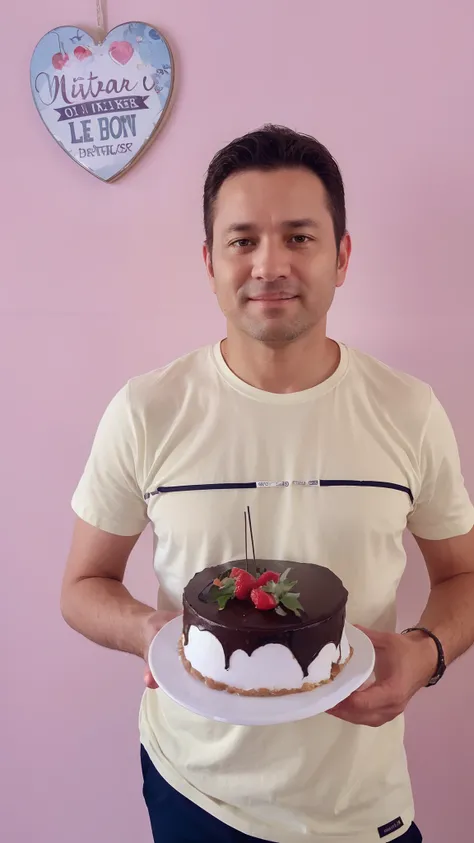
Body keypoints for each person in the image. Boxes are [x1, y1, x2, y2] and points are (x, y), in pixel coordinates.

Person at [61, 124, 474, 843]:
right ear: (209, 259)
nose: (269, 264)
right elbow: (82, 584)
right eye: (243, 239)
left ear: (342, 256)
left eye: (300, 238)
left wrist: (425, 653)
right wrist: (145, 631)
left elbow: (464, 573)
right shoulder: (147, 410)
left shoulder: (409, 410)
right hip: (196, 791)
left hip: (360, 806)